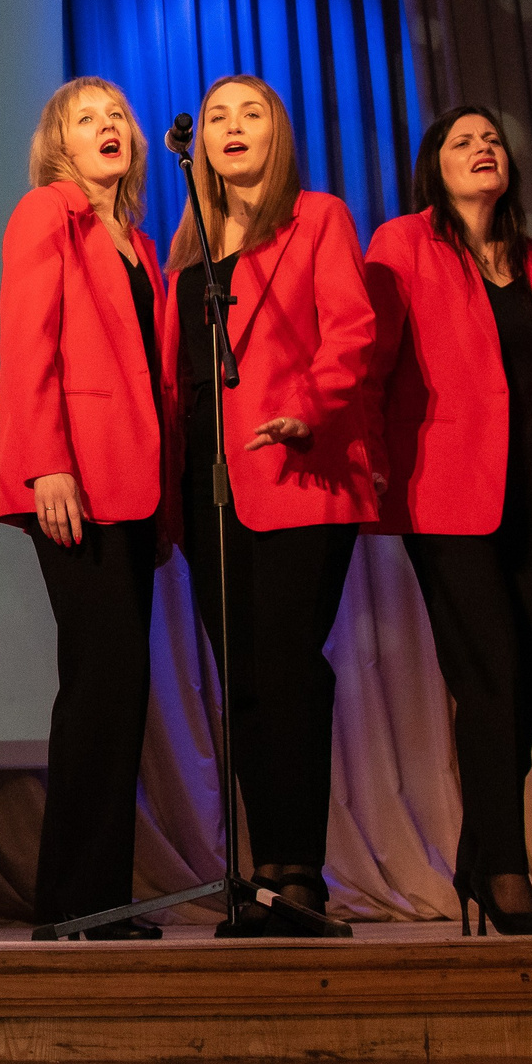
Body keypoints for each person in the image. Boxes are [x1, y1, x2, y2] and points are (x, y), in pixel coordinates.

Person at [162, 74, 378, 936]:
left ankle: (302, 872)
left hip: (299, 469)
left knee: (290, 669)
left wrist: (311, 407)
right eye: (217, 116)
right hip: (209, 488)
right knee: (243, 679)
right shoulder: (184, 249)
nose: (231, 127)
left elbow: (352, 327)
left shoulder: (318, 217)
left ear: (276, 133)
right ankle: (264, 870)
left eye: (250, 113)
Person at [365, 107, 532, 936]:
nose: (483, 150)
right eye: (462, 141)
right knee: (486, 678)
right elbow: (370, 356)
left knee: (522, 684)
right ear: (434, 166)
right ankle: (507, 872)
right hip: (445, 495)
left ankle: (478, 859)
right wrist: (368, 458)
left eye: (492, 141)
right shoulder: (403, 242)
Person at [0, 79, 170, 938]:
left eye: (117, 118)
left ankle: (97, 892)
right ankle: (74, 899)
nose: (109, 128)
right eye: (86, 119)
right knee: (99, 683)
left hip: (133, 488)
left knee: (120, 687)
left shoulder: (140, 242)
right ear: (58, 142)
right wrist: (45, 464)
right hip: (76, 481)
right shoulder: (47, 213)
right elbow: (29, 343)